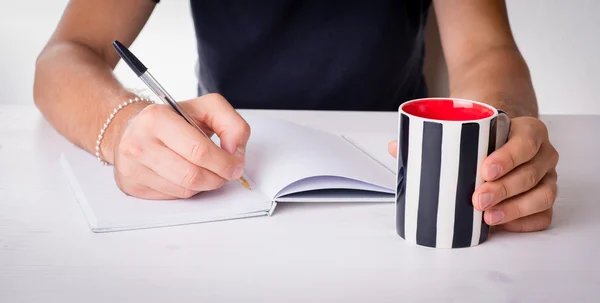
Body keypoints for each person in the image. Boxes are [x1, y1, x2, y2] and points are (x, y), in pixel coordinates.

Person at [33, 0, 558, 233]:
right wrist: (123, 123)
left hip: (390, 174)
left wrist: (504, 129)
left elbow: (487, 52)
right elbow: (64, 55)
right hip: (228, 191)